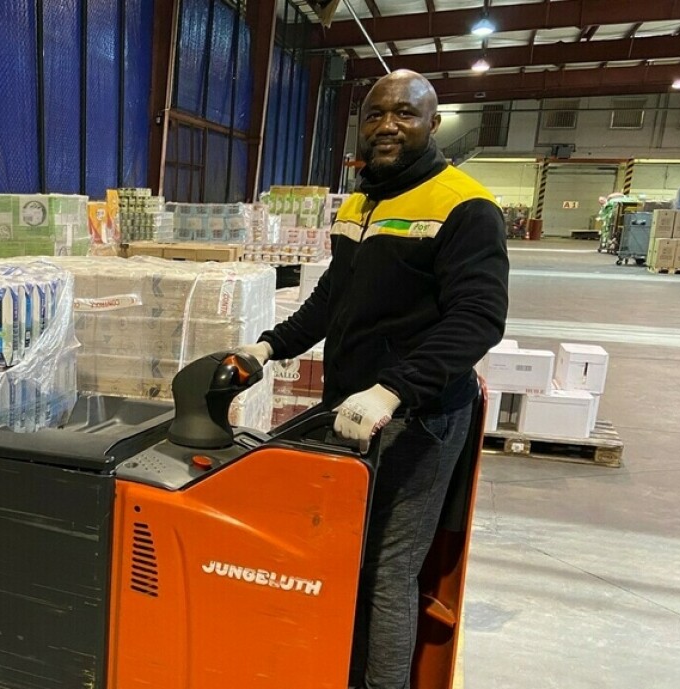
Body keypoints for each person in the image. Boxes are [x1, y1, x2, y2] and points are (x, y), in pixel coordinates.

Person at [239, 70, 509, 689]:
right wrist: (267, 347)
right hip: (350, 410)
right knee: (346, 558)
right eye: (376, 114)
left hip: (418, 416)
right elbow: (335, 296)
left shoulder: (464, 206)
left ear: (433, 124)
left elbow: (478, 319)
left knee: (388, 569)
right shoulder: (361, 203)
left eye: (405, 114)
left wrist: (393, 389)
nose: (387, 125)